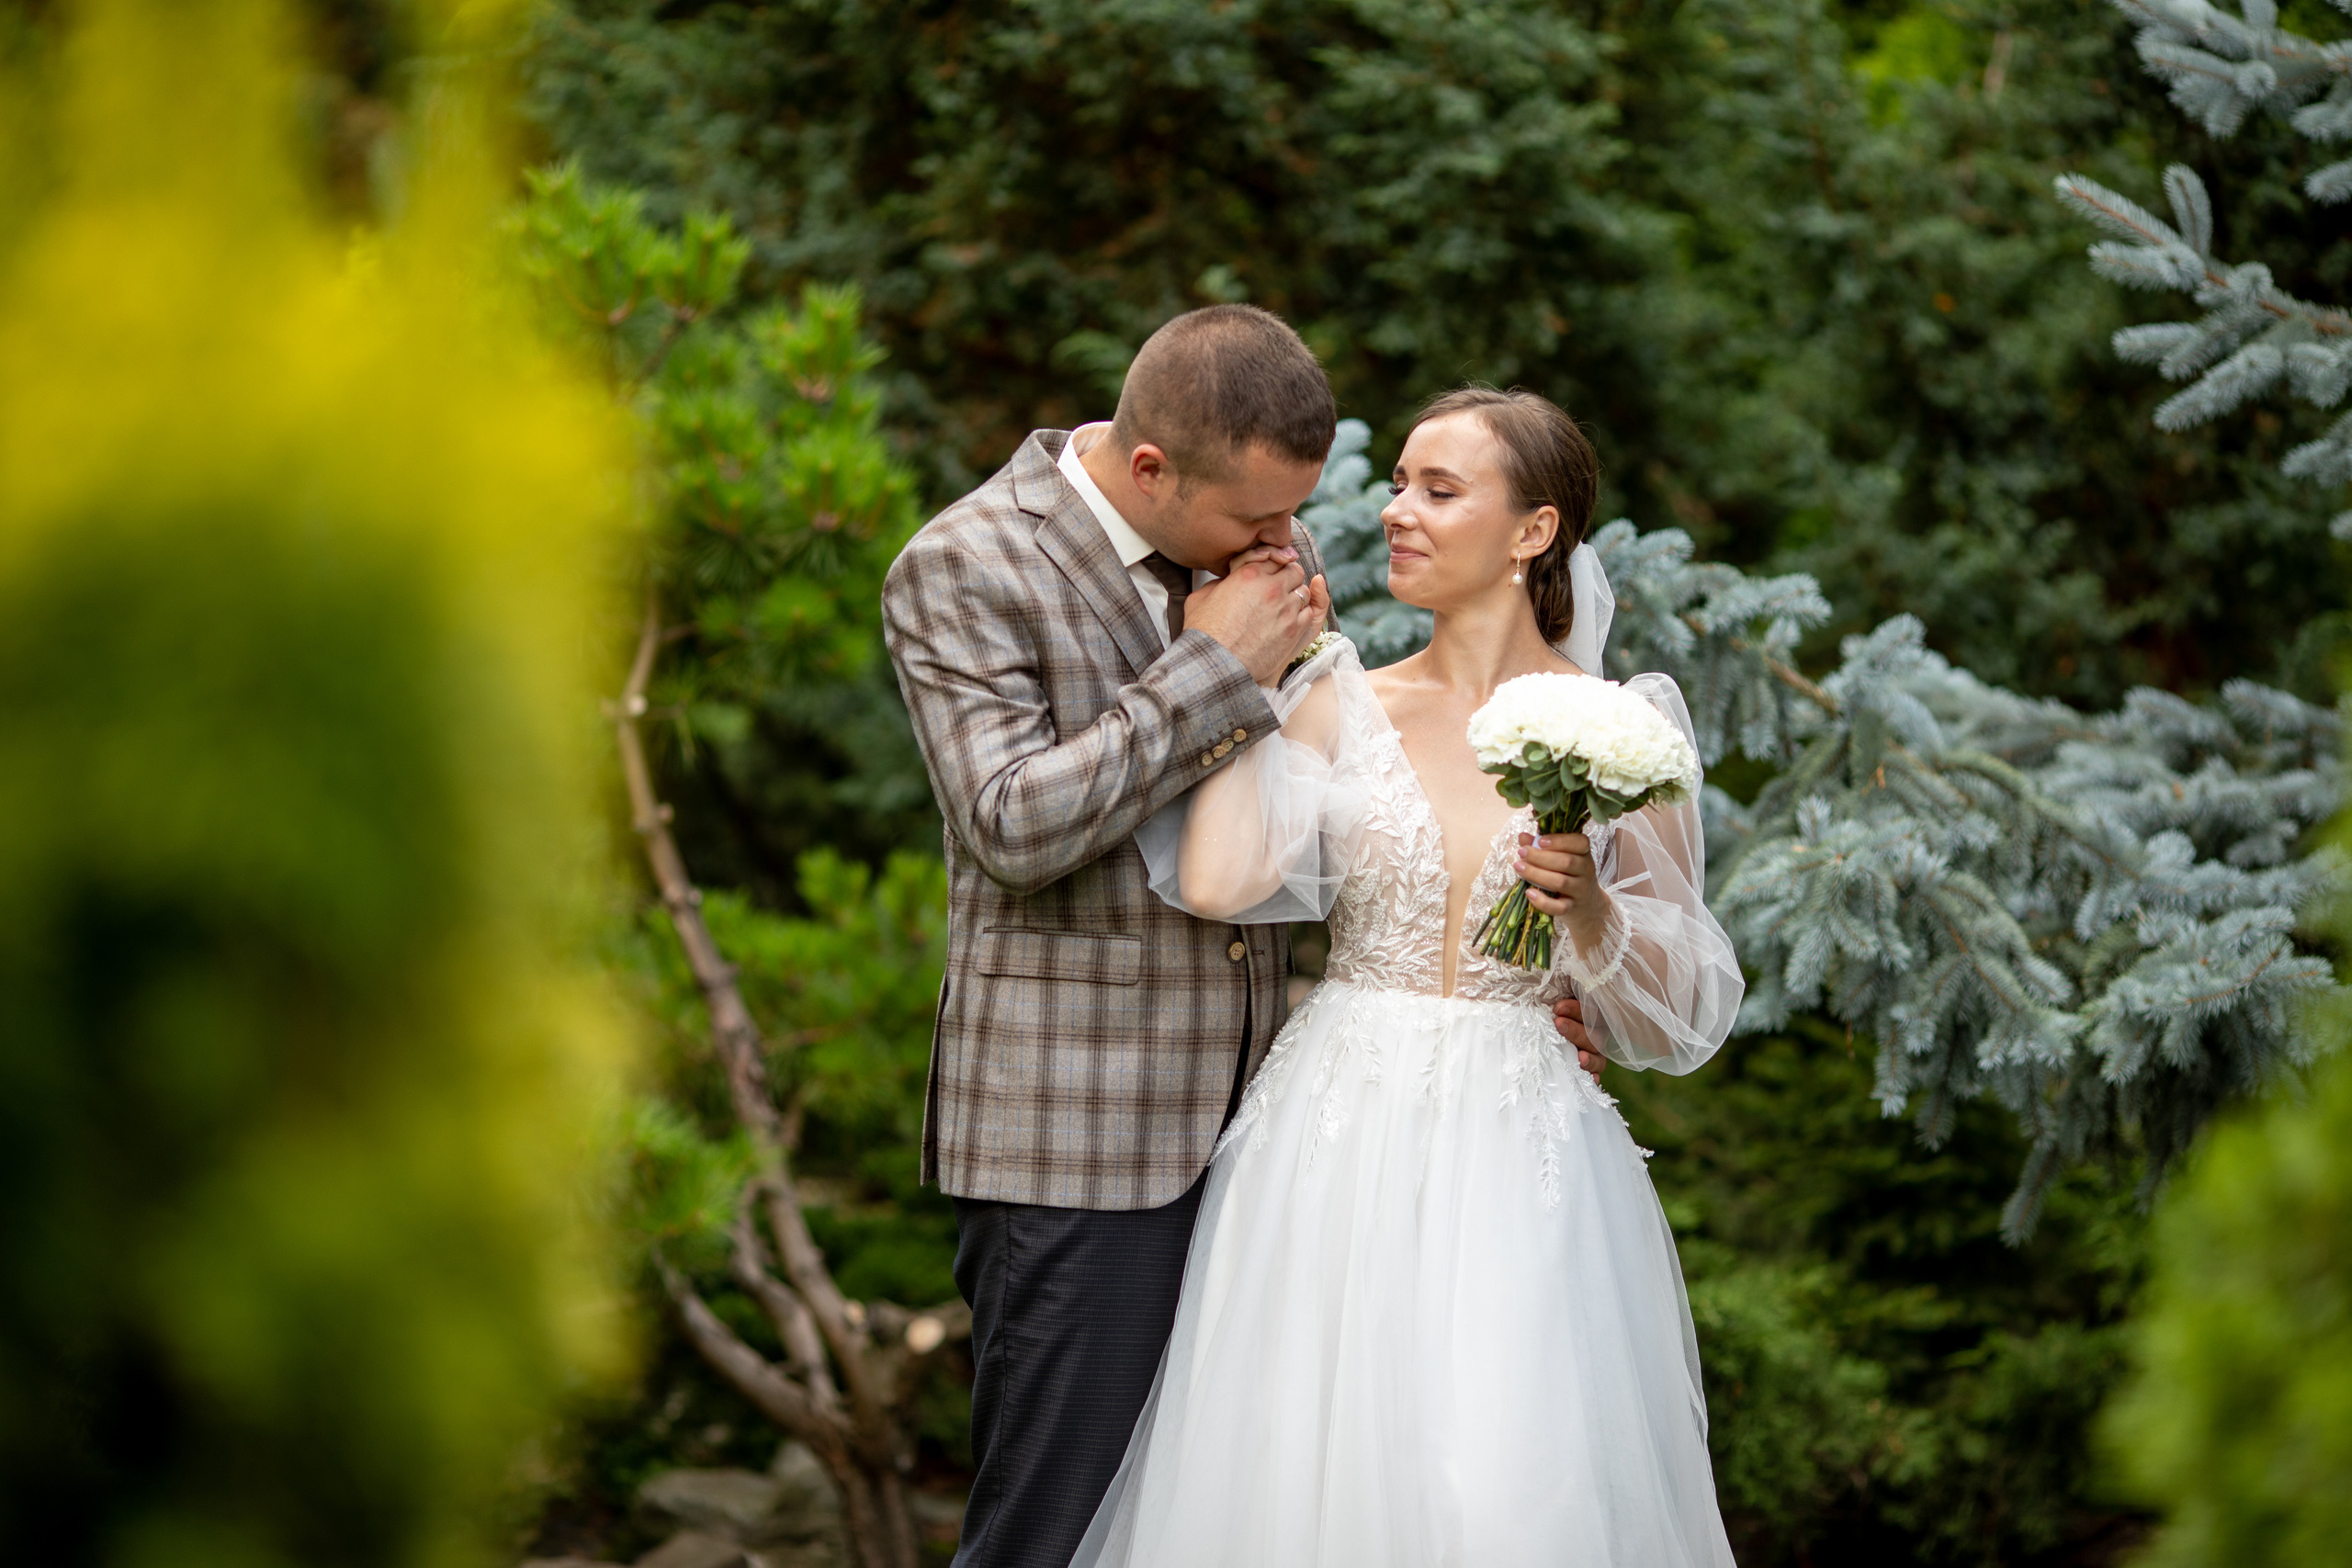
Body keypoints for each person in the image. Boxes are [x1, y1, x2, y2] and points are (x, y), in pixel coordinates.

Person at [882, 315, 1605, 1568]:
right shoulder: (966, 564)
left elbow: (1306, 819)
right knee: (1054, 1529)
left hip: (1284, 1143)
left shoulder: (1257, 532)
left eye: (1297, 515)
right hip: (1081, 1140)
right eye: (1257, 522)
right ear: (1152, 468)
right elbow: (1011, 823)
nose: (1288, 545)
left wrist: (1472, 978)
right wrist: (1214, 665)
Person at [1071, 386, 1745, 1566]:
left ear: (1533, 531)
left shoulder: (1621, 735)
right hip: (1328, 1142)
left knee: (1503, 1495)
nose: (1396, 512)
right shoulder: (1337, 695)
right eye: (1396, 485)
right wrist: (1250, 679)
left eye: (1439, 490)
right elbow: (1224, 877)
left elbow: (1681, 1007)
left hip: (1518, 1154)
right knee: (1292, 1485)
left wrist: (1589, 909)